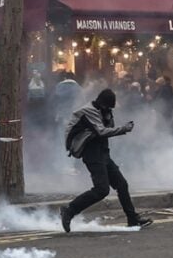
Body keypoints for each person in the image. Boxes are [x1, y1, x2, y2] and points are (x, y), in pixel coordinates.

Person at [59, 89, 152, 232]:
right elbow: (101, 131)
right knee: (101, 190)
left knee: (121, 184)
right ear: (102, 103)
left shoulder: (102, 111)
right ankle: (69, 210)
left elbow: (108, 127)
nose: (109, 109)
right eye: (107, 107)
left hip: (103, 152)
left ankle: (133, 219)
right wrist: (124, 129)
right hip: (92, 153)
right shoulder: (88, 111)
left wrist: (109, 116)